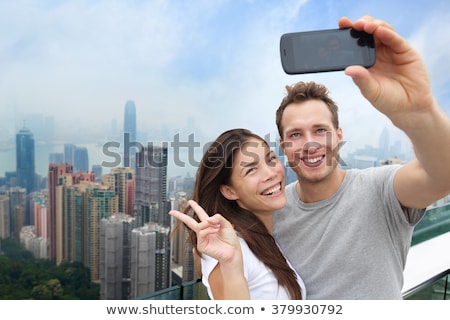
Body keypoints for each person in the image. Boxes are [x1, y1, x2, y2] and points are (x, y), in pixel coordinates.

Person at [273, 16, 450, 299]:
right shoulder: (273, 211)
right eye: (295, 135)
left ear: (339, 135)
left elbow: (443, 174)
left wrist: (418, 110)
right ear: (283, 146)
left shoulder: (381, 189)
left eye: (320, 130)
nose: (309, 144)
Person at [169, 128, 306, 300]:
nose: (271, 173)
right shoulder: (227, 251)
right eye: (251, 170)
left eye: (270, 159)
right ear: (229, 191)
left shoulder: (265, 238)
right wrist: (230, 263)